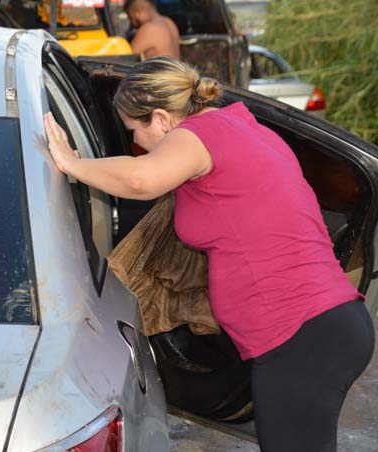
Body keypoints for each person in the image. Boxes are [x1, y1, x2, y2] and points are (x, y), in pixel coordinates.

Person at [43, 56, 375, 452]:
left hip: (301, 335)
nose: (137, 145)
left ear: (163, 119)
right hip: (323, 326)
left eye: (135, 132)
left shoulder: (197, 135)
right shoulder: (243, 128)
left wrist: (72, 164)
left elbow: (138, 177)